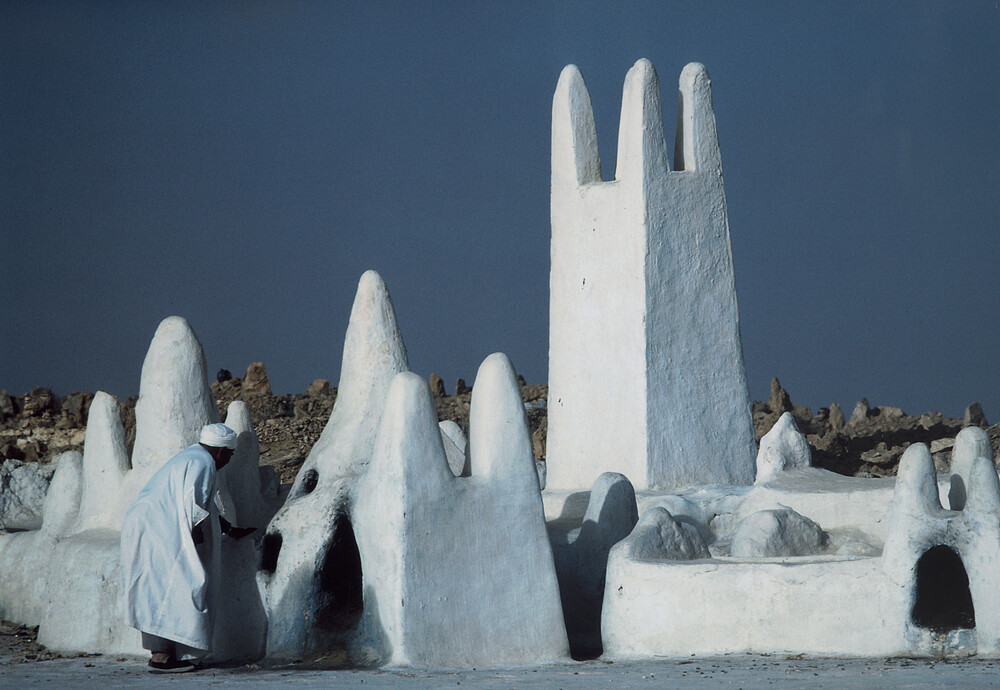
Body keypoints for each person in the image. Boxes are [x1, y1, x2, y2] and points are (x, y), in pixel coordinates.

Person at [120, 422, 255, 673]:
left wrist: (227, 528)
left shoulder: (191, 457)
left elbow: (202, 504)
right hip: (160, 529)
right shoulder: (204, 462)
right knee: (189, 583)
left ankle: (161, 654)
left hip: (144, 526)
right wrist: (196, 546)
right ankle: (186, 654)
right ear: (220, 451)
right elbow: (195, 508)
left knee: (159, 587)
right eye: (230, 454)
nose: (229, 460)